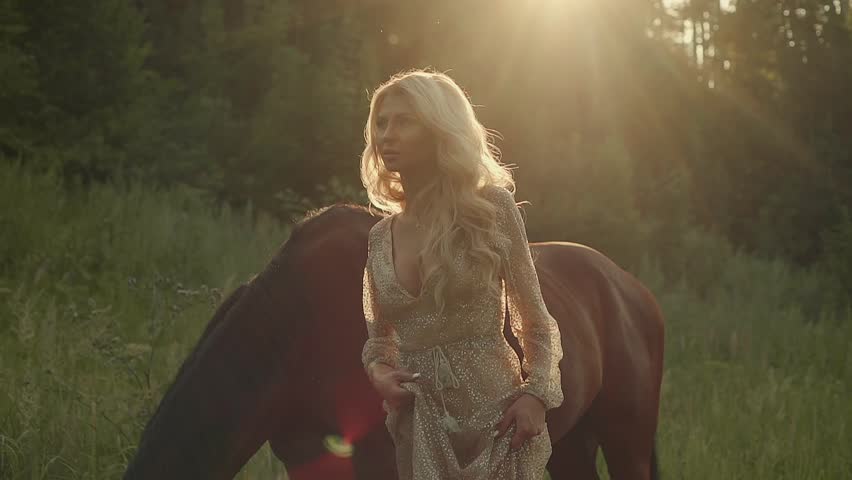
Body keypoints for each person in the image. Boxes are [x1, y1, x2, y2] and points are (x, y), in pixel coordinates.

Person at [359, 68, 564, 479]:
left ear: (439, 128)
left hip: (496, 420)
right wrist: (379, 373)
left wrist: (536, 395)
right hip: (421, 429)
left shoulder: (491, 209)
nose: (387, 135)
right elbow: (379, 341)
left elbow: (535, 322)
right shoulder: (380, 237)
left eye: (404, 121)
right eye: (381, 123)